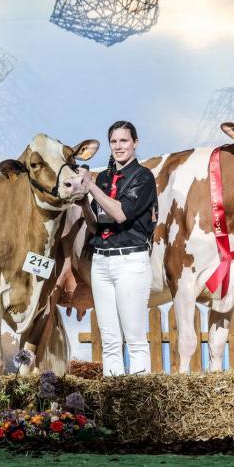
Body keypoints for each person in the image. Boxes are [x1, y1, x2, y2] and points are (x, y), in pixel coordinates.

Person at [77, 121, 157, 376]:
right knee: (110, 339)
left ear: (135, 142)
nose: (119, 146)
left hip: (130, 260)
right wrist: (83, 203)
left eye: (124, 141)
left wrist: (90, 187)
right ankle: (114, 403)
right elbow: (95, 225)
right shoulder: (104, 178)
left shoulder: (143, 177)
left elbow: (121, 214)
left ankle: (139, 400)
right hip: (101, 260)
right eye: (114, 142)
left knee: (134, 337)